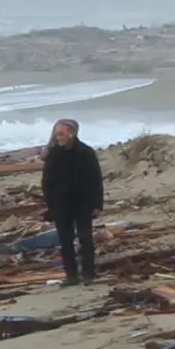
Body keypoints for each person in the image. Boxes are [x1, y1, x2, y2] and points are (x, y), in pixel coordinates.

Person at [40, 118, 103, 286]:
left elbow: (96, 180)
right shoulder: (54, 153)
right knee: (65, 240)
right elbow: (47, 181)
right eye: (56, 134)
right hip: (61, 203)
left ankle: (89, 274)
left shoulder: (86, 152)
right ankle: (71, 276)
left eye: (61, 134)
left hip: (83, 202)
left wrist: (97, 204)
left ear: (71, 133)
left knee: (85, 238)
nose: (58, 137)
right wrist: (50, 205)